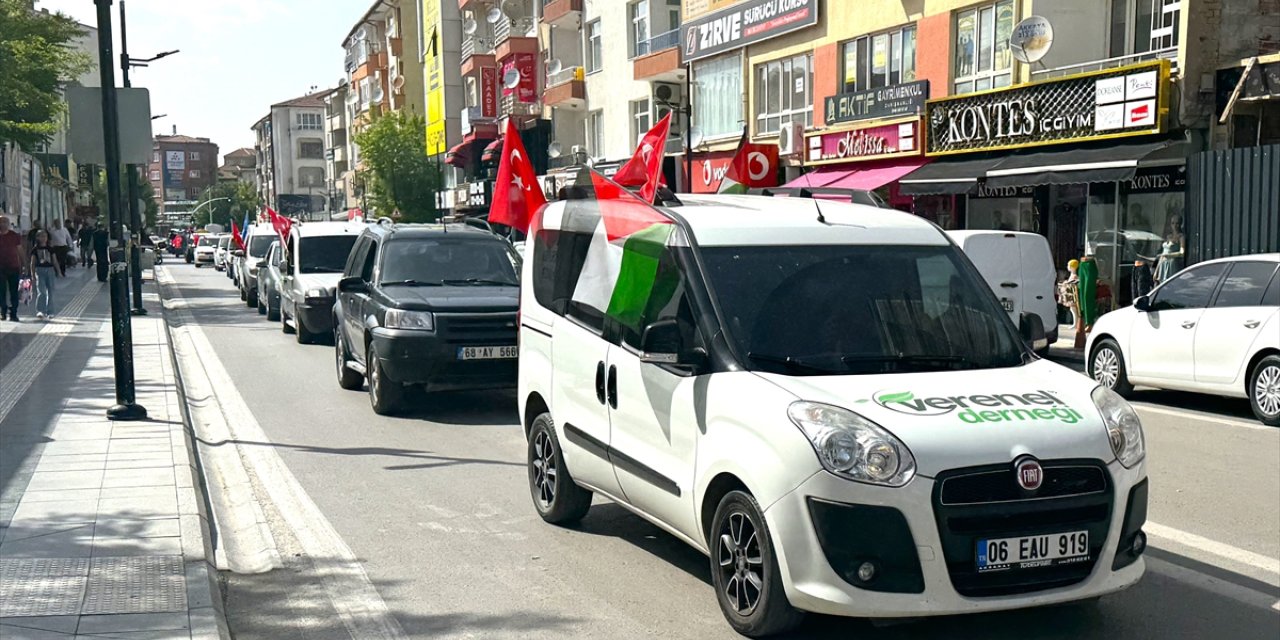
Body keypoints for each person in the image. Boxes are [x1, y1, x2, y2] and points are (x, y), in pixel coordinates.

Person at [1, 214, 26, 322]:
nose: (2, 224)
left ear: (9, 224)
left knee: (14, 291)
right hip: (0, 268)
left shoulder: (15, 236)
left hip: (13, 267)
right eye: (1, 222)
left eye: (5, 222)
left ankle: (13, 313)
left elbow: (20, 250)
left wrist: (25, 264)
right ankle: (3, 311)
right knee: (1, 291)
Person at [29, 229, 60, 320]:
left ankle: (50, 311)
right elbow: (32, 262)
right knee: (41, 291)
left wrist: (58, 271)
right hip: (39, 270)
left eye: (45, 236)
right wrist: (32, 274)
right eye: (41, 236)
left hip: (50, 270)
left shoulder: (50, 248)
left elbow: (54, 261)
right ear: (37, 238)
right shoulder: (35, 249)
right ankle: (40, 310)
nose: (43, 238)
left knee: (51, 291)